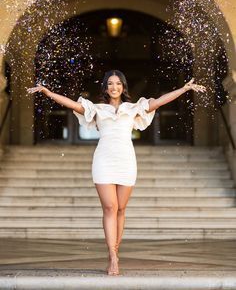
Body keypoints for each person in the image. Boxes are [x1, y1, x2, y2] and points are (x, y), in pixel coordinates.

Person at [27, 70, 206, 276]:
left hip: (126, 161)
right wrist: (48, 93)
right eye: (110, 84)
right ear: (105, 87)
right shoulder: (96, 109)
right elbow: (71, 104)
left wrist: (184, 89)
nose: (114, 87)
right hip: (103, 160)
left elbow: (159, 102)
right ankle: (112, 255)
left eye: (118, 84)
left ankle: (115, 250)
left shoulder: (133, 108)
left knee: (121, 209)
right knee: (110, 207)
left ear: (123, 87)